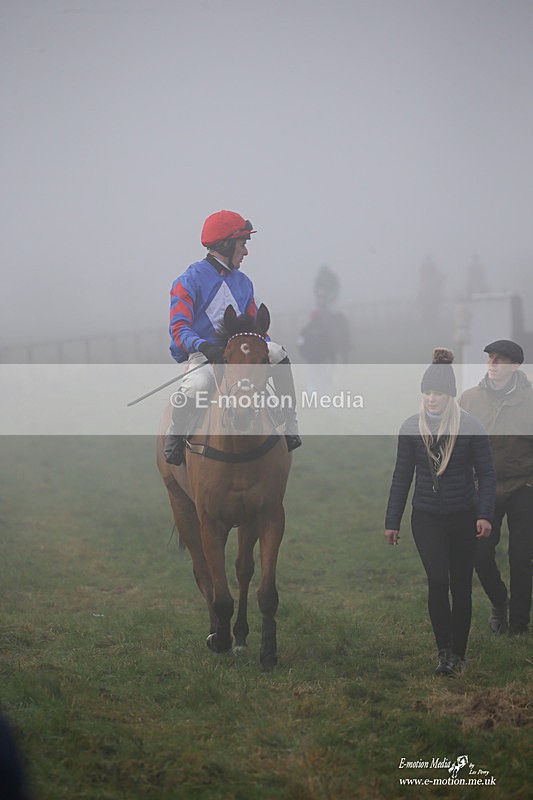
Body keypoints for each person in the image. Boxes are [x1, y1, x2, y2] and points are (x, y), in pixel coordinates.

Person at [384, 348, 496, 676]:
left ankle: (458, 655)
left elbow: (487, 475)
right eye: (427, 393)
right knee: (437, 579)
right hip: (427, 516)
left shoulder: (471, 426)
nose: (432, 399)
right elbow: (401, 476)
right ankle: (444, 651)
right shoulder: (410, 428)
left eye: (439, 393)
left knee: (461, 584)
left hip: (464, 515)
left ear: (450, 395)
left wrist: (485, 514)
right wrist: (392, 522)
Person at [164, 210, 301, 465]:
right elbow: (179, 329)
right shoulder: (188, 281)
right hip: (204, 353)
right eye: (242, 244)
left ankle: (290, 421)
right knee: (195, 386)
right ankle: (174, 435)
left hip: (242, 352)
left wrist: (264, 344)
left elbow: (255, 327)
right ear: (225, 244)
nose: (246, 252)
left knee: (278, 352)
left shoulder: (244, 283)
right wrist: (205, 346)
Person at [459, 339, 533, 635]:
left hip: (523, 487)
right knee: (479, 553)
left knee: (522, 556)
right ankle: (499, 601)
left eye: (500, 360)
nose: (492, 364)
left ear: (515, 367)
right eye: (490, 358)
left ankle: (518, 625)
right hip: (483, 490)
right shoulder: (469, 400)